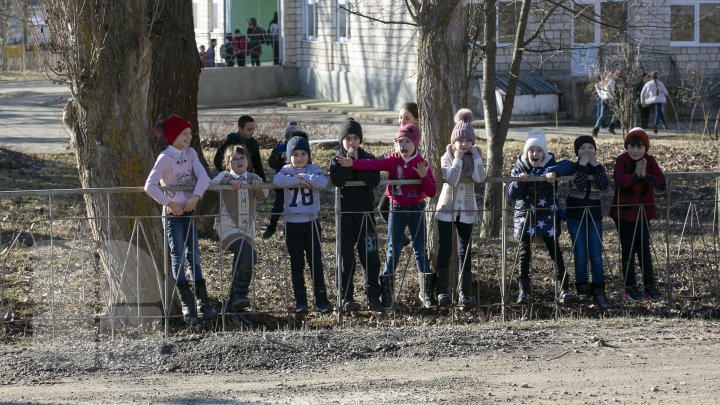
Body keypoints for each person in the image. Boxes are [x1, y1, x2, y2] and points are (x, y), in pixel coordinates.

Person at [337, 124, 438, 310]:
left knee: (420, 250)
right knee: (393, 250)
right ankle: (388, 295)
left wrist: (424, 176)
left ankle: (426, 292)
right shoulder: (392, 159)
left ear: (415, 143)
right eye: (400, 141)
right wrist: (354, 164)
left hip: (416, 209)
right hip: (397, 209)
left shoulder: (422, 163)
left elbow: (432, 191)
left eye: (407, 141)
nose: (403, 145)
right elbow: (373, 164)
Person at [144, 114, 217, 325]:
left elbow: (204, 177)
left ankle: (204, 302)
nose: (189, 136)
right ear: (174, 135)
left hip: (189, 210)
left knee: (193, 255)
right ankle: (187, 304)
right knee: (178, 256)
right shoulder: (165, 157)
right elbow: (150, 185)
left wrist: (195, 197)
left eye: (190, 133)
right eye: (185, 133)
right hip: (173, 214)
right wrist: (169, 203)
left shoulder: (191, 153)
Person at [508, 129, 575, 305]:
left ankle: (564, 288)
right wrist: (518, 182)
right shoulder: (519, 167)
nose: (534, 154)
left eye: (538, 150)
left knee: (555, 251)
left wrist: (553, 172)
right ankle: (524, 291)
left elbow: (570, 165)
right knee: (524, 254)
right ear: (526, 152)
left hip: (546, 215)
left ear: (544, 152)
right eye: (531, 150)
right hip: (525, 216)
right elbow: (512, 195)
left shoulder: (550, 164)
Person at [329, 118, 385, 312]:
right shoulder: (336, 159)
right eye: (347, 138)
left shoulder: (368, 158)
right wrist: (347, 166)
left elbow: (373, 179)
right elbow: (337, 179)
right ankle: (346, 297)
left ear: (360, 140)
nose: (351, 142)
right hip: (345, 217)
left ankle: (373, 296)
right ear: (342, 141)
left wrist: (356, 163)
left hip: (366, 216)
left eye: (355, 138)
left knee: (370, 256)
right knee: (345, 258)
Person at [273, 136, 332, 314]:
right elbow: (277, 181)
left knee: (315, 262)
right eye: (295, 154)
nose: (299, 157)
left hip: (311, 222)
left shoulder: (313, 169)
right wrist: (297, 179)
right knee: (296, 263)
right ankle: (301, 301)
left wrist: (306, 175)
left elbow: (322, 183)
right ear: (289, 156)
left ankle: (321, 300)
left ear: (308, 155)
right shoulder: (285, 170)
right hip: (292, 224)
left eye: (303, 153)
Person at [435, 109, 486, 309]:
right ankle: (442, 292)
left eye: (468, 141)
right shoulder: (445, 158)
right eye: (460, 140)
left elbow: (480, 178)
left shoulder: (476, 158)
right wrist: (457, 159)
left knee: (465, 251)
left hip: (467, 210)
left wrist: (476, 158)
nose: (464, 144)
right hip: (446, 209)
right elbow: (452, 180)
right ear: (454, 142)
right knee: (445, 249)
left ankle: (465, 293)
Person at [610, 127, 666, 302]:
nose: (635, 150)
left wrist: (645, 175)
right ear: (627, 146)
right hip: (624, 213)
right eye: (631, 146)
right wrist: (635, 175)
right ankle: (630, 287)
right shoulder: (622, 160)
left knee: (644, 249)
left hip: (643, 212)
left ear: (646, 147)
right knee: (628, 249)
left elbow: (661, 183)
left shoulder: (650, 161)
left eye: (639, 147)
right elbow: (618, 181)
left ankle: (650, 286)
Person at [211, 145, 269, 312]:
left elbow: (264, 194)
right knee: (248, 254)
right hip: (229, 229)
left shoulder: (252, 177)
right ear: (227, 164)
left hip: (247, 231)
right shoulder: (225, 176)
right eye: (234, 159)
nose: (239, 161)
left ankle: (233, 304)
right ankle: (239, 295)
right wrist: (229, 181)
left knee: (244, 259)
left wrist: (258, 185)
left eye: (242, 158)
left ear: (248, 161)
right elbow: (212, 184)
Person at [565, 135, 611, 310]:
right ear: (577, 152)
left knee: (596, 252)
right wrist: (583, 166)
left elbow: (603, 185)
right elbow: (580, 184)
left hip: (594, 216)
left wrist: (595, 165)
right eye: (582, 148)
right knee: (580, 252)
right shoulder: (574, 168)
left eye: (590, 148)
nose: (587, 151)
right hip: (575, 216)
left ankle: (599, 288)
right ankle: (582, 287)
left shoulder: (598, 168)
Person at [378, 101, 419, 247]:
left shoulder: (416, 137)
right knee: (383, 208)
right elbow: (389, 155)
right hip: (397, 182)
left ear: (417, 119)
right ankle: (402, 240)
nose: (402, 121)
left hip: (412, 184)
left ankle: (413, 242)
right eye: (400, 117)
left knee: (411, 214)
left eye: (406, 118)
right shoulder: (401, 135)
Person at [264, 122, 307, 239]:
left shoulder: (302, 148)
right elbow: (272, 163)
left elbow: (308, 162)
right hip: (283, 185)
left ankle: (290, 229)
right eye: (289, 136)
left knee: (295, 208)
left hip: (298, 186)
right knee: (278, 207)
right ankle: (271, 227)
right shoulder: (280, 148)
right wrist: (280, 157)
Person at [214, 115, 266, 182]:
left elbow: (257, 164)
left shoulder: (253, 143)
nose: (252, 132)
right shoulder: (229, 142)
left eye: (253, 129)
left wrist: (263, 182)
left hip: (247, 178)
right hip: (232, 179)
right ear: (240, 128)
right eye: (249, 129)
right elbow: (217, 161)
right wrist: (230, 174)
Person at [592, 72, 620, 137]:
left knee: (602, 115)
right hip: (610, 99)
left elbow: (596, 85)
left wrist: (601, 95)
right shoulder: (612, 81)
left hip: (603, 99)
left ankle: (595, 130)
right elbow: (608, 87)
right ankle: (611, 126)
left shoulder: (602, 82)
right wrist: (612, 95)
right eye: (610, 75)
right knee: (617, 112)